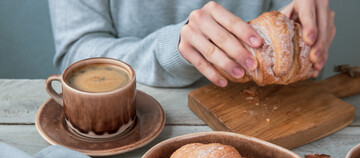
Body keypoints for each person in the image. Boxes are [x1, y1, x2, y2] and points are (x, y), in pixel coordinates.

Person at [48, 0, 335, 88]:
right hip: (135, 121)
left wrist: (306, 40)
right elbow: (76, 53)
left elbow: (293, 64)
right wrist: (169, 50)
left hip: (264, 120)